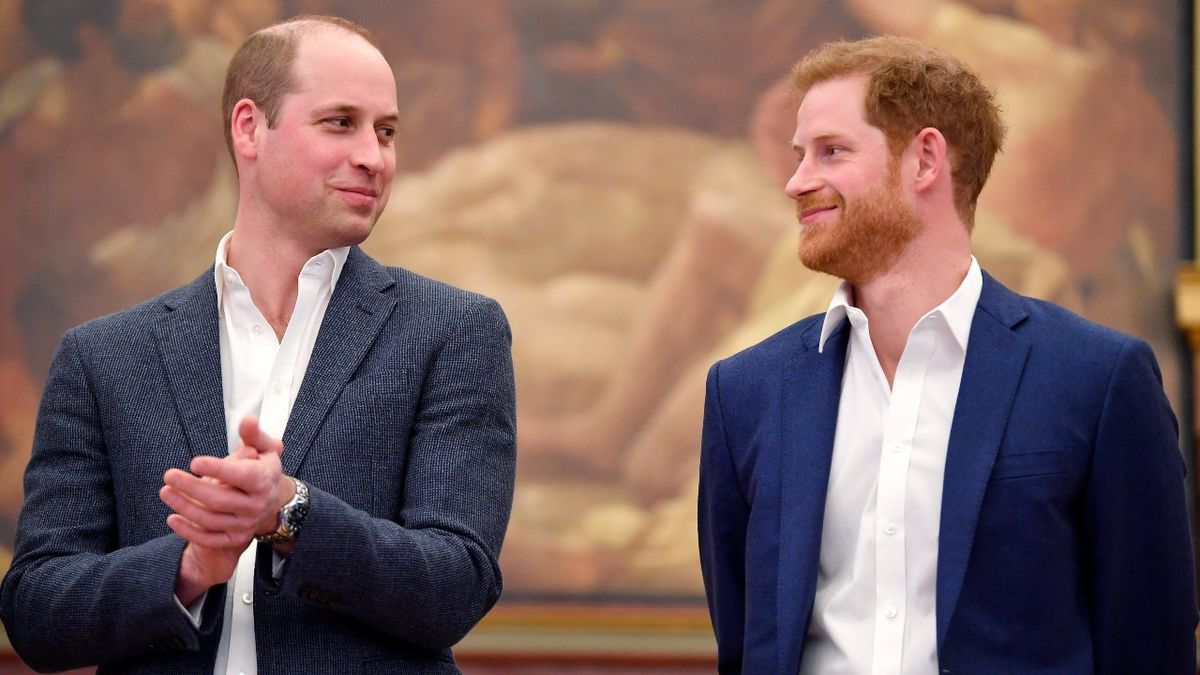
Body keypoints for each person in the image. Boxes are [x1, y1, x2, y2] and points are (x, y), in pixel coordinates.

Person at [0, 14, 516, 675]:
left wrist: (289, 512)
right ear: (250, 128)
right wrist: (186, 569)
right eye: (341, 123)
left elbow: (456, 586)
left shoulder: (452, 331)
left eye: (386, 131)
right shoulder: (104, 356)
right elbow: (36, 612)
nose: (374, 156)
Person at [697, 35, 1196, 674]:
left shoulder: (1096, 379)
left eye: (831, 151)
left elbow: (1150, 646)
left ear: (925, 159)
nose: (797, 182)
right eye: (799, 157)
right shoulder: (746, 391)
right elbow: (744, 647)